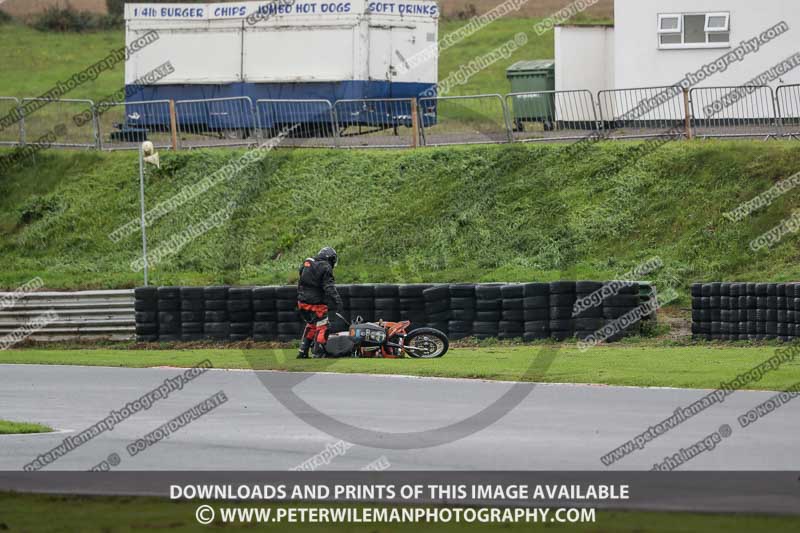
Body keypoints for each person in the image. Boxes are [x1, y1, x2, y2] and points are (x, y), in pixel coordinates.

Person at [296, 247, 343, 358]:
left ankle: (302, 352)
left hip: (302, 302)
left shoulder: (307, 262)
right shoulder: (325, 267)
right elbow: (329, 287)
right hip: (316, 304)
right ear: (330, 258)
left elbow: (301, 275)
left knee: (312, 325)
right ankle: (318, 353)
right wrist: (337, 301)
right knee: (323, 326)